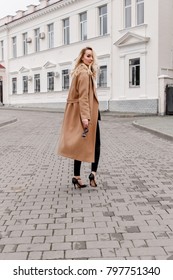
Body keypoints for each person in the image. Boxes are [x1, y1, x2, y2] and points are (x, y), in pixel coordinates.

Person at [57, 46, 101, 189]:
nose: (91, 58)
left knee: (80, 145)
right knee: (96, 144)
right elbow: (83, 98)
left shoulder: (82, 71)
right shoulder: (83, 73)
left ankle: (76, 177)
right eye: (88, 56)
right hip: (88, 114)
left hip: (88, 113)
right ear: (82, 57)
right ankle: (93, 174)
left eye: (92, 56)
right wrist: (85, 118)